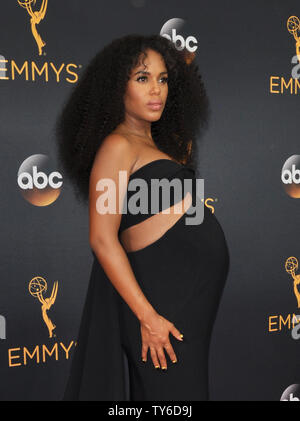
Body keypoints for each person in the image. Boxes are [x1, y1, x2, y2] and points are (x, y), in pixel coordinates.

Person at [55, 34, 230, 401]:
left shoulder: (158, 146)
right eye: (142, 78)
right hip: (158, 308)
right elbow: (102, 239)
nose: (156, 90)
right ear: (117, 87)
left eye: (163, 79)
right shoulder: (117, 146)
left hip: (190, 306)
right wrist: (147, 317)